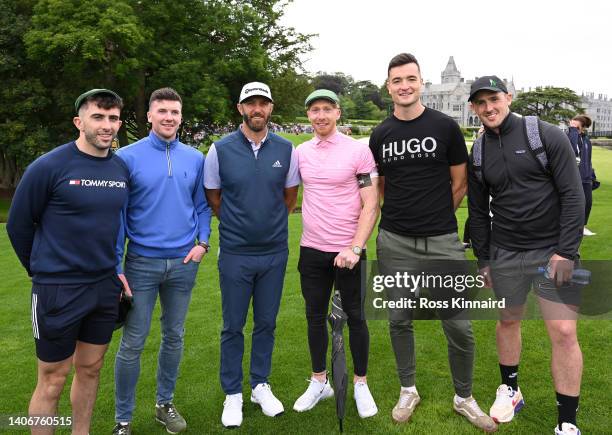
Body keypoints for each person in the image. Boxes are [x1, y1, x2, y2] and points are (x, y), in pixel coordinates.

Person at [369, 53, 497, 432]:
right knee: (399, 319)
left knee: (458, 325)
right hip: (394, 241)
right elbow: (382, 187)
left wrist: (438, 217)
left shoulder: (445, 127)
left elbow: (459, 182)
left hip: (442, 242)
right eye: (397, 80)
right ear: (389, 86)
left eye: (411, 78)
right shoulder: (380, 134)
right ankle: (408, 389)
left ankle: (464, 397)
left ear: (421, 82)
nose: (404, 85)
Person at [467, 75, 585, 435]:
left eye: (494, 100)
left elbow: (573, 194)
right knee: (508, 320)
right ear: (473, 108)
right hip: (505, 250)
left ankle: (567, 420)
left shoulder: (546, 134)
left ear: (509, 97)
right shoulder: (480, 149)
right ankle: (512, 390)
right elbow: (476, 211)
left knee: (563, 331)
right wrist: (484, 260)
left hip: (551, 250)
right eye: (480, 103)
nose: (488, 108)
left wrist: (566, 251)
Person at [7, 89, 128, 435]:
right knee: (52, 378)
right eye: (98, 117)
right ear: (79, 122)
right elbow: (18, 226)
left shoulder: (120, 169)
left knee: (90, 369)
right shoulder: (49, 166)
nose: (107, 125)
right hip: (57, 290)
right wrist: (44, 271)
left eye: (113, 118)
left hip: (103, 288)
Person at [113, 87, 211, 435]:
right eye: (162, 111)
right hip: (141, 263)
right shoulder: (126, 157)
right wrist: (117, 266)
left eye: (175, 112)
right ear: (150, 116)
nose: (169, 117)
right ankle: (123, 419)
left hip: (184, 263)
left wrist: (203, 242)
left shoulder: (194, 158)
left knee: (174, 336)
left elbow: (201, 206)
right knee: (133, 342)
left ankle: (164, 404)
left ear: (181, 117)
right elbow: (119, 215)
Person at [204, 82, 299, 428]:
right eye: (250, 103)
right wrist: (238, 222)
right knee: (232, 325)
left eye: (263, 103)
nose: (257, 109)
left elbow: (290, 196)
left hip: (274, 251)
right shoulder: (220, 149)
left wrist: (268, 224)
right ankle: (233, 393)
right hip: (235, 253)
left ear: (270, 108)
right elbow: (214, 197)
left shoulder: (286, 148)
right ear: (240, 108)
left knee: (267, 323)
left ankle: (260, 384)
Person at [292, 89, 379, 417]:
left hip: (349, 252)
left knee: (356, 318)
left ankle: (360, 383)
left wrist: (355, 248)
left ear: (338, 113)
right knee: (314, 317)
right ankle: (319, 381)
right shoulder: (301, 152)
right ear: (308, 115)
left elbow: (371, 205)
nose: (321, 115)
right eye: (314, 110)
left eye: (327, 109)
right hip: (312, 250)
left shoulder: (358, 152)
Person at [567, 114, 596, 236]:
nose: (573, 126)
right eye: (573, 124)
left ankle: (582, 227)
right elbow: (573, 149)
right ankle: (569, 229)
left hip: (585, 177)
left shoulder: (586, 140)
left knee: (587, 203)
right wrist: (573, 130)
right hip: (572, 177)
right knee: (573, 204)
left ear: (582, 127)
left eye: (577, 125)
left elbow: (588, 159)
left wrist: (592, 174)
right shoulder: (568, 137)